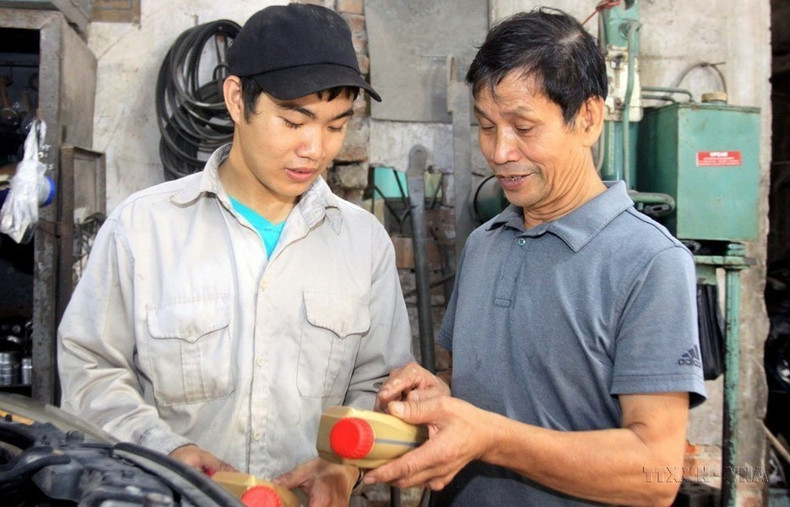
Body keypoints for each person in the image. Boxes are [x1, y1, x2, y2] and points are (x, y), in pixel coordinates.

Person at [57, 4, 413, 504]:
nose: (315, 149)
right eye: (293, 122)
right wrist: (166, 448)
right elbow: (90, 370)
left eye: (336, 126)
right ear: (236, 99)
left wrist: (342, 467)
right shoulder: (143, 229)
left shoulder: (363, 243)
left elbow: (378, 383)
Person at [366, 7, 706, 506]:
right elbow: (491, 392)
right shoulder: (485, 244)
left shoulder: (649, 260)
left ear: (588, 119)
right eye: (486, 126)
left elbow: (654, 472)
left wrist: (493, 438)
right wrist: (438, 393)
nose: (500, 151)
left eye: (524, 128)